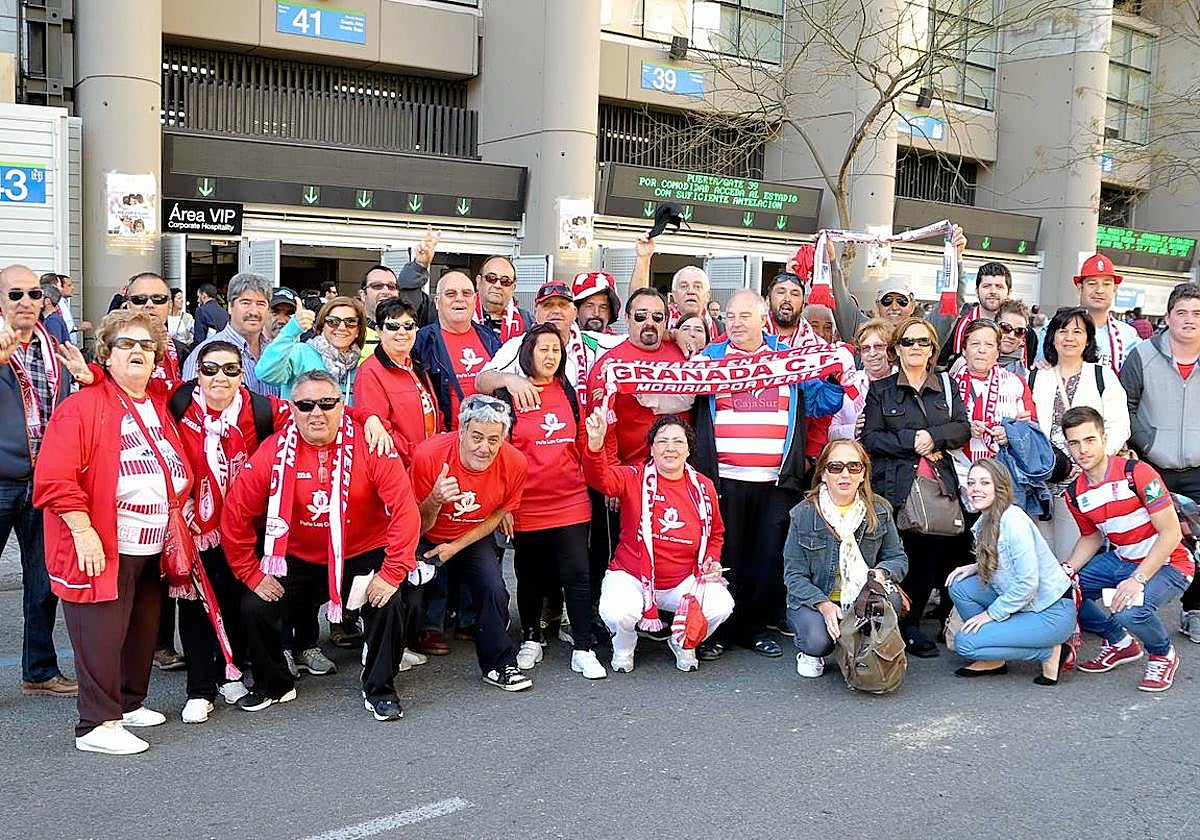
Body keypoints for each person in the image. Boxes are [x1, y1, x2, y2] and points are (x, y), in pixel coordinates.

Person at [34, 310, 193, 754]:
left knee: (141, 628)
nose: (138, 351)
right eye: (126, 344)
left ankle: (127, 702)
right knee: (100, 633)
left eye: (146, 345)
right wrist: (83, 531)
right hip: (103, 543)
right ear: (106, 354)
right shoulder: (83, 407)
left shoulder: (156, 402)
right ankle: (96, 724)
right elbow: (55, 479)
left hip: (150, 543)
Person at [221, 370, 422, 719]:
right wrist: (250, 573)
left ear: (341, 406)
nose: (317, 412)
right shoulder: (274, 451)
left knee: (389, 603)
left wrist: (391, 573)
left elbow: (405, 512)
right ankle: (275, 684)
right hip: (298, 557)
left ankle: (380, 689)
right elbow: (236, 513)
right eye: (306, 404)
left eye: (327, 404)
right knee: (255, 606)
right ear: (292, 409)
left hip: (359, 552)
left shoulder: (371, 445)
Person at [691, 289, 845, 660]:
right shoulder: (709, 358)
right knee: (726, 555)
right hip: (723, 477)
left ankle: (754, 627)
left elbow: (825, 402)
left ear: (764, 319)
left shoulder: (788, 358)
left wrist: (835, 373)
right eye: (730, 317)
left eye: (745, 316)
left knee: (765, 556)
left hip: (775, 479)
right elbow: (676, 395)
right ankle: (720, 629)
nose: (736, 323)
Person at [169, 340, 290, 722]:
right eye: (210, 369)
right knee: (195, 605)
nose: (220, 377)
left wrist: (370, 420)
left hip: (243, 524)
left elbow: (313, 414)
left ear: (242, 374)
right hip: (194, 524)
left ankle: (230, 671)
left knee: (238, 600)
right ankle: (199, 688)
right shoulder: (176, 404)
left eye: (230, 369)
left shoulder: (261, 408)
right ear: (197, 373)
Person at [493, 324, 605, 679]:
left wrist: (598, 445)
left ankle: (584, 647)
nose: (550, 356)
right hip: (528, 503)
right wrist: (506, 505)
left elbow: (581, 446)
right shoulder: (510, 394)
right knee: (530, 575)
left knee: (577, 573)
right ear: (528, 352)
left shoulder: (570, 393)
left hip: (570, 499)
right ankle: (531, 638)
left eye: (556, 350)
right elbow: (502, 456)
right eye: (543, 349)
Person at [1, 265, 92, 698]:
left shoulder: (58, 348)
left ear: (44, 299)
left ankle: (38, 671)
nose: (24, 301)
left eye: (33, 293)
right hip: (1, 480)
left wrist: (90, 381)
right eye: (14, 293)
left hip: (44, 483)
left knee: (43, 582)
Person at [584, 409, 733, 672]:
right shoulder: (634, 477)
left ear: (689, 450)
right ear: (651, 449)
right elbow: (601, 479)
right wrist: (595, 447)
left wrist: (712, 561)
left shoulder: (704, 486)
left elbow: (716, 534)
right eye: (662, 441)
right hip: (632, 575)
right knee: (618, 612)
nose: (670, 448)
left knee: (721, 604)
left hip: (683, 579)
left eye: (678, 441)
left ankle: (682, 641)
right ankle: (624, 645)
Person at [1060, 406, 1192, 692]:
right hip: (1122, 559)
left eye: (1089, 439)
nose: (1082, 449)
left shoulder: (1137, 472)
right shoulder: (1074, 493)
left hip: (1170, 562)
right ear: (1067, 446)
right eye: (1074, 442)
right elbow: (1091, 538)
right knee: (1064, 591)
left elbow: (1170, 534)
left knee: (1130, 609)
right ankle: (1121, 643)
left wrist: (1137, 580)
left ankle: (1162, 653)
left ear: (1104, 439)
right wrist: (1067, 571)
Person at [861, 316, 970, 657]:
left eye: (923, 342)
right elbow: (871, 439)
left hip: (937, 488)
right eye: (908, 341)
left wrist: (933, 436)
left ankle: (913, 625)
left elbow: (962, 429)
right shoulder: (881, 390)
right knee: (897, 556)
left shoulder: (947, 387)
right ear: (896, 349)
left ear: (933, 349)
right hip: (895, 487)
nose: (915, 348)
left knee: (929, 559)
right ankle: (891, 624)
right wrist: (913, 441)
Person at [408, 395, 532, 691]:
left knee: (494, 589)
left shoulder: (514, 461)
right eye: (476, 437)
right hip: (426, 531)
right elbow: (414, 521)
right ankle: (394, 650)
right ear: (461, 432)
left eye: (493, 439)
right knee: (408, 593)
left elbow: (500, 512)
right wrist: (436, 500)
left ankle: (500, 665)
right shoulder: (430, 455)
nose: (484, 447)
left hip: (472, 534)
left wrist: (455, 547)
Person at [783, 439, 908, 678]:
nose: (845, 474)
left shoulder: (879, 510)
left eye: (854, 467)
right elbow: (794, 575)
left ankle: (858, 645)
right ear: (822, 474)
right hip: (817, 600)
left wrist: (881, 573)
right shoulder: (804, 514)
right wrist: (824, 605)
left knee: (892, 598)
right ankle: (814, 649)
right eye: (835, 467)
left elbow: (897, 557)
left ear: (863, 474)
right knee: (818, 642)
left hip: (862, 596)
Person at [946, 459, 1076, 684]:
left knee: (965, 643)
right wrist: (977, 566)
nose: (976, 488)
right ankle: (993, 658)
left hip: (1049, 612)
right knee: (960, 585)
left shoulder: (1013, 521)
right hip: (1026, 602)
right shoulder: (985, 520)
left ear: (1000, 487)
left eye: (985, 482)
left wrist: (990, 615)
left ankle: (1050, 651)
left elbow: (1027, 582)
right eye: (971, 482)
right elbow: (1008, 563)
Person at [1119, 283, 1200, 642]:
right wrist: (1146, 442)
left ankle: (1193, 610)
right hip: (1155, 466)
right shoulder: (1142, 355)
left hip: (1198, 468)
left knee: (1198, 544)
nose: (1189, 320)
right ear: (1166, 318)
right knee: (1153, 542)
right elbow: (1127, 406)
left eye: (1197, 314)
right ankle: (1137, 610)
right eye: (1181, 313)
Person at [1029, 307, 1130, 557]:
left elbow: (1119, 425)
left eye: (1077, 331)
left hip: (1081, 480)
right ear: (1052, 336)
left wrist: (1091, 459)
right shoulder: (1036, 377)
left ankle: (1069, 597)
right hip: (1040, 480)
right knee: (1038, 555)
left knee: (1070, 555)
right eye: (1063, 331)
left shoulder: (1101, 376)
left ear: (1088, 339)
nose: (1069, 337)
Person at [585, 288, 688, 467]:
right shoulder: (609, 365)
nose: (649, 323)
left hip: (682, 469)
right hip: (633, 472)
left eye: (657, 317)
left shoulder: (685, 353)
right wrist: (613, 471)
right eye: (641, 316)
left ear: (666, 321)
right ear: (627, 318)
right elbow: (603, 427)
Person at [949, 320, 1036, 489]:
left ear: (997, 352)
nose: (982, 350)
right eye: (975, 344)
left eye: (989, 344)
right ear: (964, 351)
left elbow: (1032, 428)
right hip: (957, 475)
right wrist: (964, 430)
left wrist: (1010, 432)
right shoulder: (947, 384)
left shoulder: (1015, 383)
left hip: (1003, 474)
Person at [352, 297, 440, 464]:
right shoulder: (370, 371)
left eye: (408, 326)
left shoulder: (415, 365)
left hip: (427, 463)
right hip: (402, 467)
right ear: (379, 331)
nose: (402, 332)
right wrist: (419, 457)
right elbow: (381, 431)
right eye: (392, 326)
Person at [413, 271, 502, 434]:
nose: (459, 299)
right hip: (447, 439)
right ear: (437, 302)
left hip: (489, 440)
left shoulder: (492, 339)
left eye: (466, 293)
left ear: (475, 300)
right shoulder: (421, 342)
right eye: (450, 294)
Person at [256, 296, 367, 403]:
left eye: (350, 322)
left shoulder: (359, 366)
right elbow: (266, 374)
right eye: (332, 321)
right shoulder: (301, 352)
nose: (341, 327)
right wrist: (292, 330)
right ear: (322, 326)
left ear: (358, 330)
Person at [184, 272, 278, 397]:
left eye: (261, 304)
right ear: (230, 307)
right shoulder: (205, 353)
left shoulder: (275, 351)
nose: (254, 311)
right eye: (246, 303)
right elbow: (192, 407)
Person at [1073, 254, 1140, 372]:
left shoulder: (1128, 335)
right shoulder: (1058, 328)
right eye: (1092, 283)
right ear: (1080, 288)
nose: (1099, 290)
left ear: (1115, 289)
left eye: (1107, 284)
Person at [125, 272, 189, 389]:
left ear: (169, 306)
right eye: (139, 299)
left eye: (158, 299)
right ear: (128, 305)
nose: (149, 305)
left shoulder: (186, 353)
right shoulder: (109, 351)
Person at [945, 262, 1014, 359]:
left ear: (1009, 292)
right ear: (977, 291)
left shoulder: (1021, 331)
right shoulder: (958, 327)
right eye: (986, 286)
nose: (993, 292)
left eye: (999, 287)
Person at [475, 255, 533, 341]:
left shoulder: (527, 321)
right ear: (479, 281)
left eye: (505, 281)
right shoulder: (462, 314)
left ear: (513, 287)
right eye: (491, 278)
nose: (497, 285)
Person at [764, 272, 809, 347]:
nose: (787, 299)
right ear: (768, 300)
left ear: (803, 305)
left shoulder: (817, 345)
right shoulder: (749, 337)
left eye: (794, 294)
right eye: (781, 292)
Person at [996, 299, 1032, 377]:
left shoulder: (1027, 376)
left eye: (1019, 331)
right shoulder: (970, 363)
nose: (1011, 336)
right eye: (1006, 327)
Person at [855, 318, 897, 383]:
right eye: (866, 348)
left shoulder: (903, 378)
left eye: (878, 346)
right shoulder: (852, 382)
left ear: (890, 350)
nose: (872, 353)